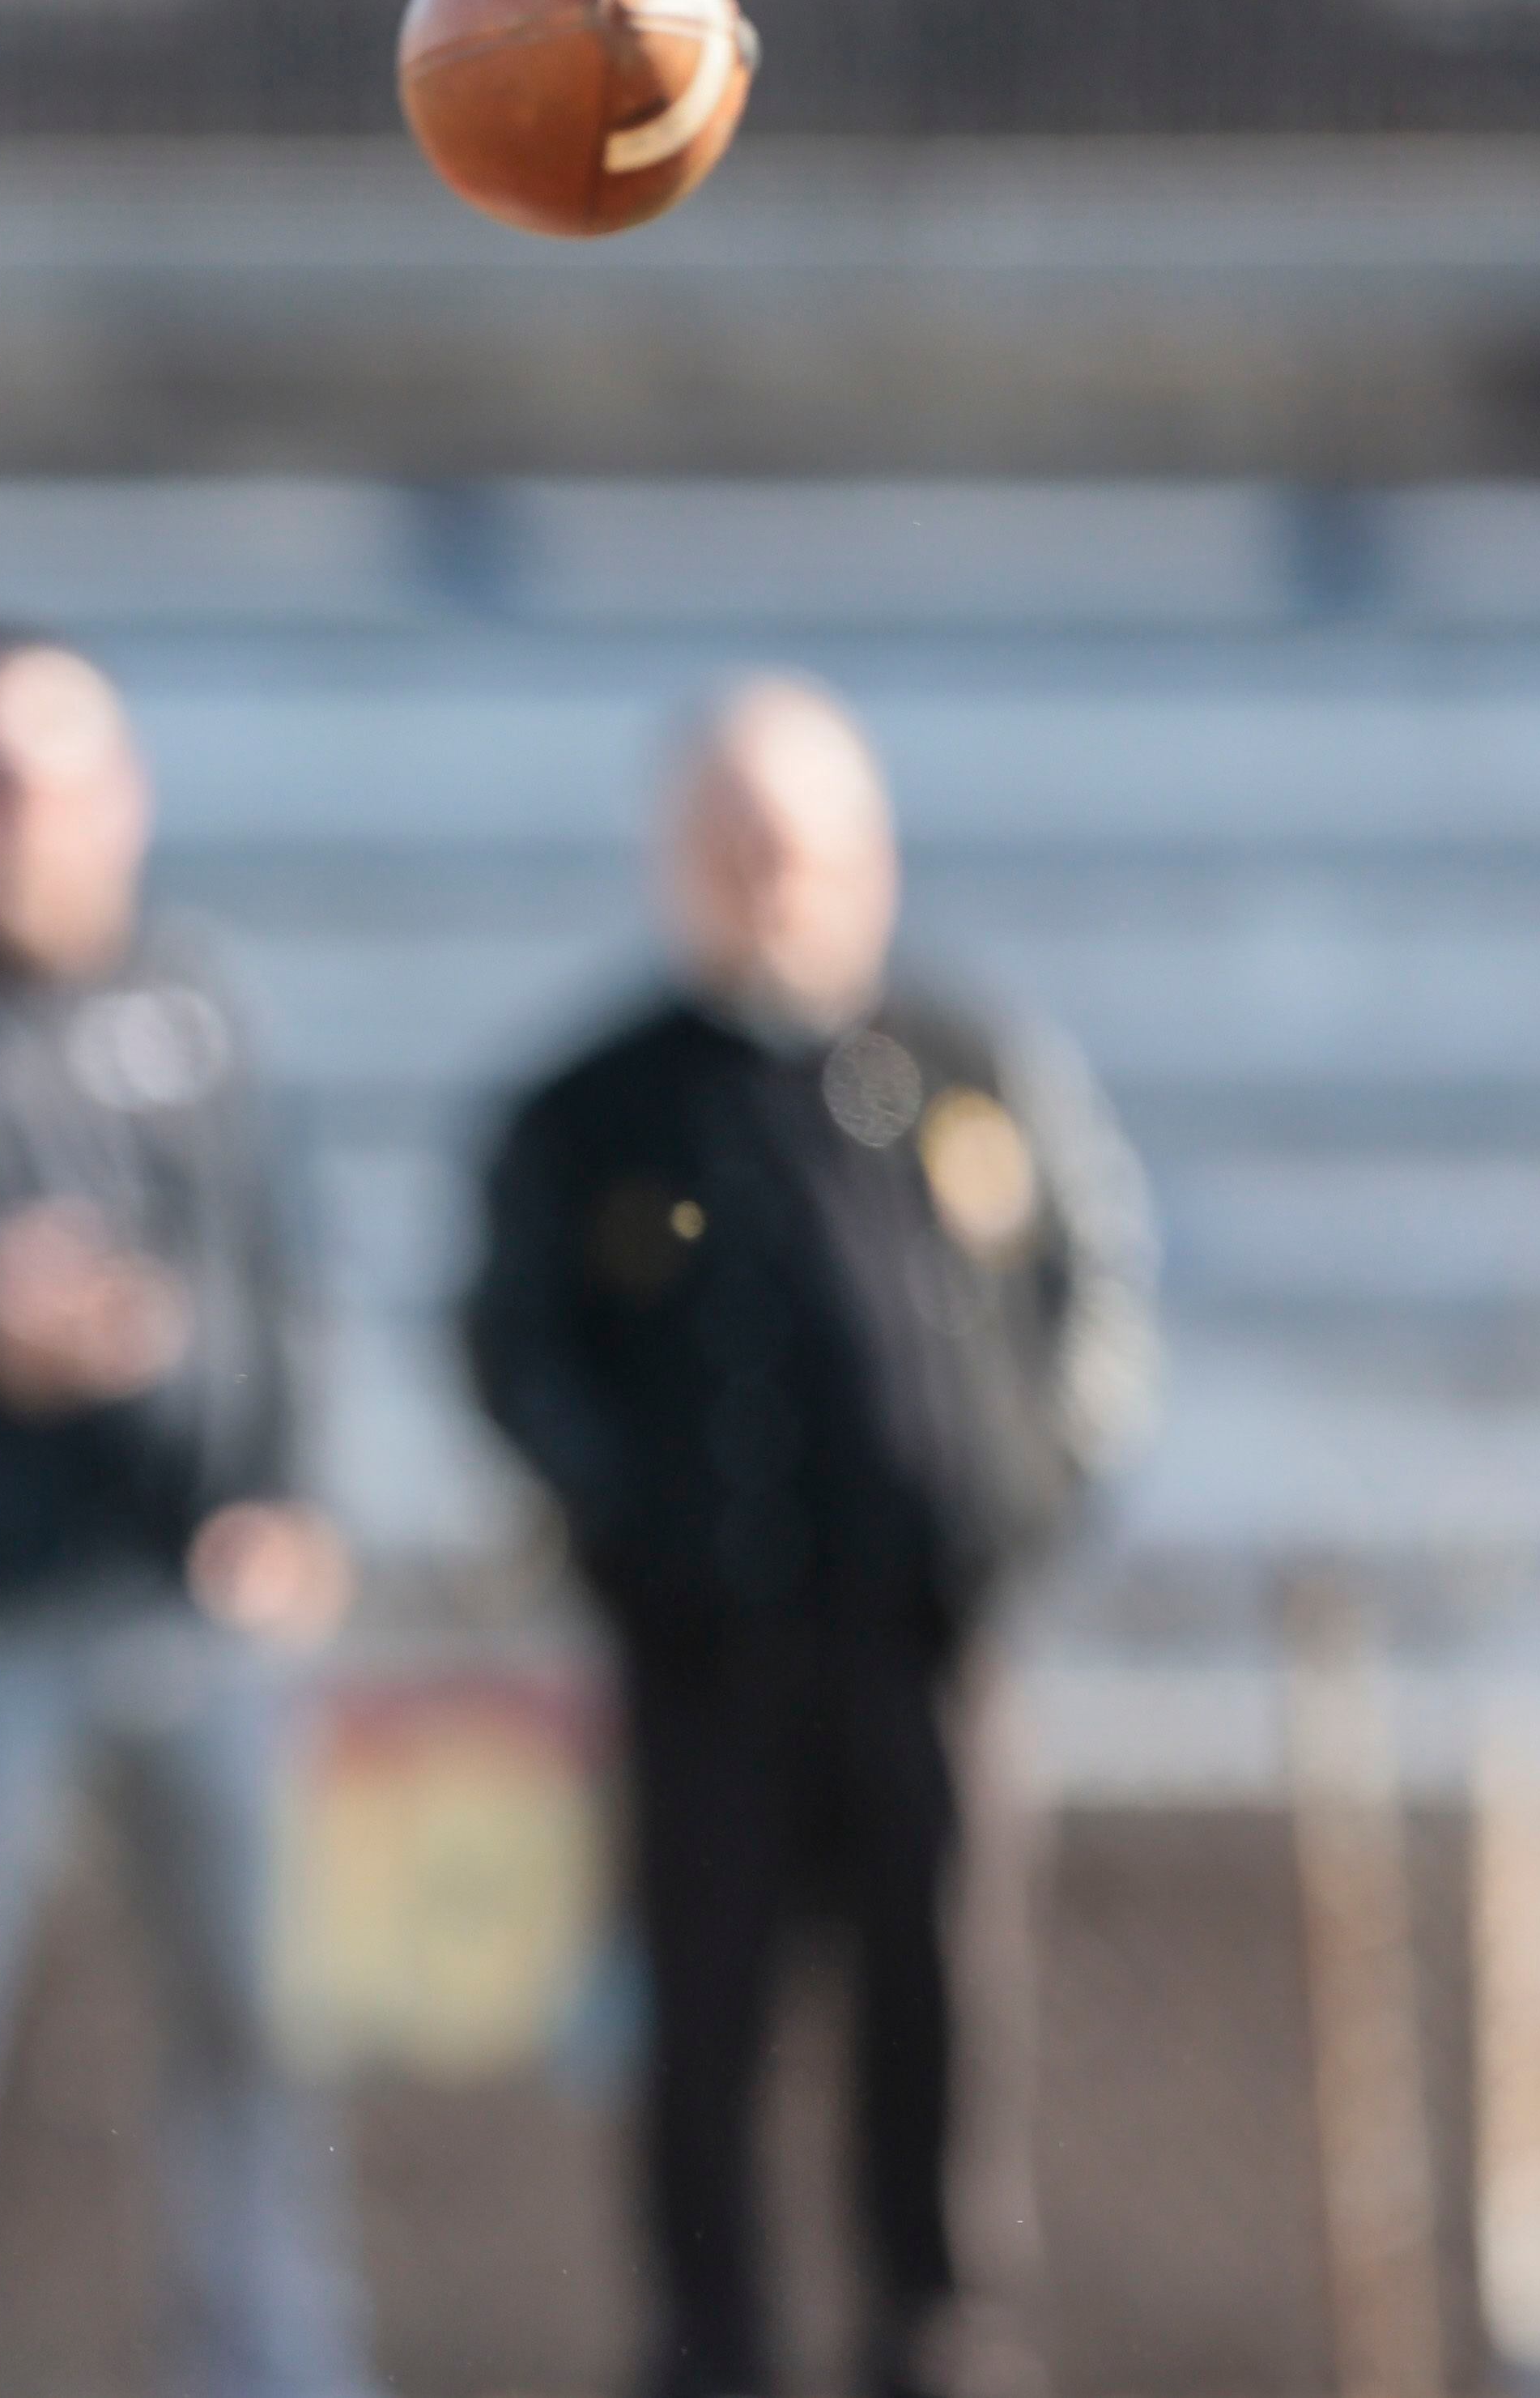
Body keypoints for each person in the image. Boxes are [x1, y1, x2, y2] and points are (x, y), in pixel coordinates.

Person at [458, 674, 1156, 2398]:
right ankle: (712, 2351)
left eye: (802, 844)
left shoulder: (970, 1065)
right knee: (706, 2032)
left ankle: (946, 2343)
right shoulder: (594, 1105)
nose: (772, 880)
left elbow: (1093, 1300)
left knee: (946, 2016)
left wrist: (1023, 1502)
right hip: (705, 1661)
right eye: (735, 845)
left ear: (871, 856)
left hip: (929, 1646)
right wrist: (625, 1527)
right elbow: (513, 1344)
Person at [0, 633, 379, 2398]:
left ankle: (281, 2364)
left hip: (194, 1609)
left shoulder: (198, 1003)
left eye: (45, 780)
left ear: (121, 798)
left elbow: (280, 1278)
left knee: (252, 2036)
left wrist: (290, 1499)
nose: (15, 817)